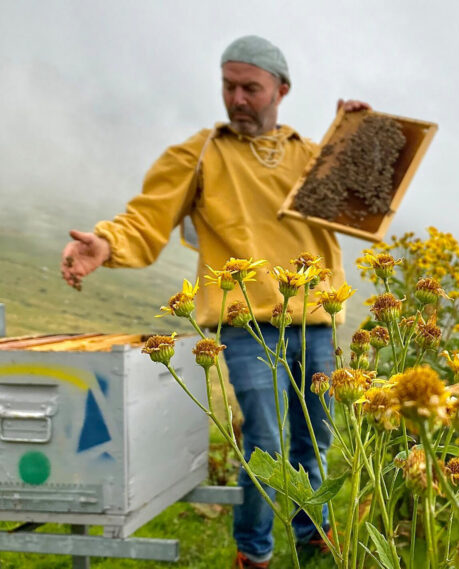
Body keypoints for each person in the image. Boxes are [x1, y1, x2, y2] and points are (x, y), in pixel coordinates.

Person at [60, 35, 370, 569]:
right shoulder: (199, 155)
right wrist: (105, 244)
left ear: (282, 89)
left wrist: (353, 137)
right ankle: (254, 552)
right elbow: (147, 216)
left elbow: (363, 203)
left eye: (251, 88)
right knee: (266, 441)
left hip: (316, 320)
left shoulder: (310, 154)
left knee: (315, 437)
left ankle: (313, 537)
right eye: (229, 87)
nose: (238, 98)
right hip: (247, 324)